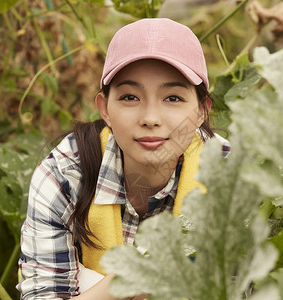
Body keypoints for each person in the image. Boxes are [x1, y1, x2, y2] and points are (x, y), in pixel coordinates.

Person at [17, 18, 230, 300]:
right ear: (104, 108)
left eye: (173, 98)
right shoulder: (64, 175)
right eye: (130, 97)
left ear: (202, 111)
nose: (150, 119)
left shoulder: (229, 173)